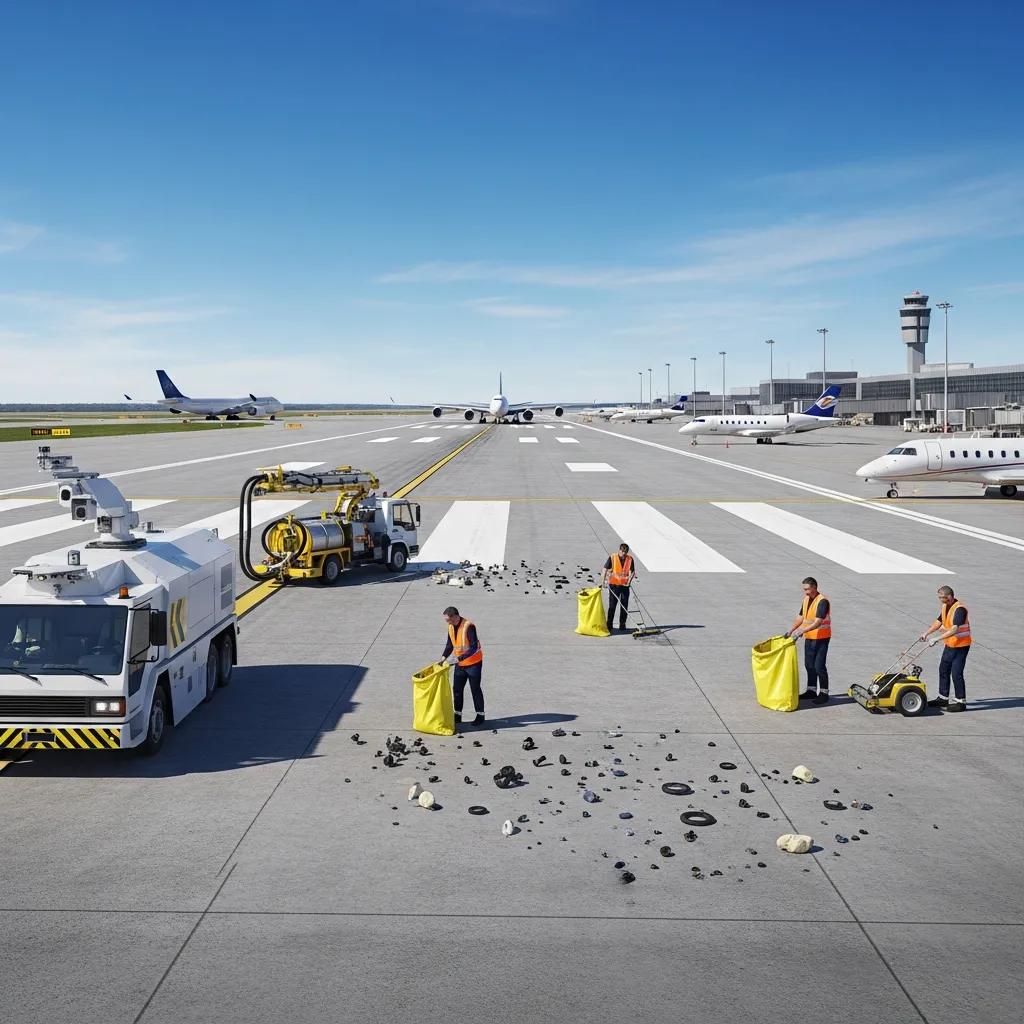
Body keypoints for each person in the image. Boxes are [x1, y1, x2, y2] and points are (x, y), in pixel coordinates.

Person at [919, 585, 971, 712]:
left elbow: (954, 629)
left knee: (956, 673)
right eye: (940, 598)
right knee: (943, 669)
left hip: (961, 646)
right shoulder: (945, 606)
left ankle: (960, 702)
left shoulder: (960, 609)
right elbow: (939, 622)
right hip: (950, 644)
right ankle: (943, 698)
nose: (942, 601)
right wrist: (926, 633)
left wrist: (936, 639)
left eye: (944, 598)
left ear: (951, 596)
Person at [785, 576, 831, 704]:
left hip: (822, 638)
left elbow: (818, 622)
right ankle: (811, 691)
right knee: (809, 665)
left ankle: (824, 693)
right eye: (804, 589)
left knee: (819, 666)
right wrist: (791, 630)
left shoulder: (822, 601)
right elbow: (801, 618)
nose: (805, 592)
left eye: (807, 589)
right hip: (810, 637)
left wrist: (802, 631)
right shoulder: (806, 599)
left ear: (815, 587)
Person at [440, 606, 484, 727]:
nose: (447, 622)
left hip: (473, 664)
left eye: (448, 620)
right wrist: (443, 658)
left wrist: (459, 658)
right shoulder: (450, 627)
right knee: (457, 690)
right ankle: (457, 714)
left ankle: (480, 715)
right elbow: (449, 645)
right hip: (460, 664)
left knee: (475, 689)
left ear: (455, 617)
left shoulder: (468, 626)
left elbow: (474, 647)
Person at [601, 542, 636, 633]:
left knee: (624, 605)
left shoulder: (629, 559)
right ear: (619, 550)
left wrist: (628, 582)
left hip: (624, 586)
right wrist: (603, 583)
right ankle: (609, 624)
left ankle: (622, 624)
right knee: (612, 606)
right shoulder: (613, 557)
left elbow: (632, 571)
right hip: (614, 585)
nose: (624, 554)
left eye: (625, 552)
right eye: (622, 552)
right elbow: (604, 570)